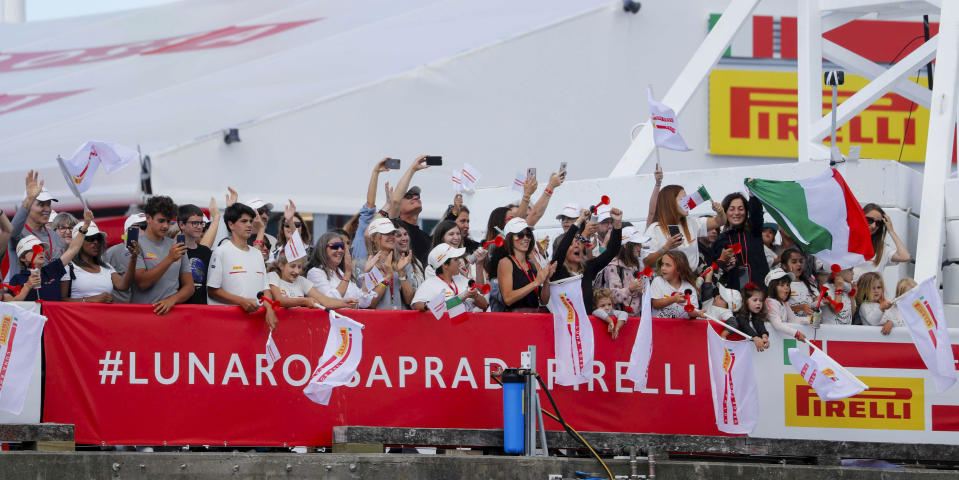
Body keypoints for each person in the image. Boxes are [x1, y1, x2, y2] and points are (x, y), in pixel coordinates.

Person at [207, 203, 279, 329]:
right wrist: (241, 301)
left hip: (256, 323)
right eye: (244, 221)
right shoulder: (221, 252)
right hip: (229, 323)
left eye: (251, 221)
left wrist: (269, 308)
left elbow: (265, 288)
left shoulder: (257, 254)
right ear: (231, 224)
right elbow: (213, 291)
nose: (249, 225)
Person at [6, 210, 92, 302]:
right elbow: (12, 306)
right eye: (35, 249)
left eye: (42, 249)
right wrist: (27, 287)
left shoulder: (51, 270)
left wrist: (85, 226)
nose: (41, 252)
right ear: (23, 258)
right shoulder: (17, 279)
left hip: (55, 316)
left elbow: (72, 249)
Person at [551, 207, 623, 312]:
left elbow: (612, 251)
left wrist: (617, 223)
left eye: (578, 243)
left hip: (586, 325)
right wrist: (579, 221)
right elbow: (562, 247)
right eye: (571, 244)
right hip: (565, 326)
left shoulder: (588, 268)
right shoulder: (556, 269)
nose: (577, 246)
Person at [132, 196, 194, 315]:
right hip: (143, 314)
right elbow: (142, 283)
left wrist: (172, 300)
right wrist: (170, 259)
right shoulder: (136, 244)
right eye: (161, 221)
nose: (166, 226)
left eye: (169, 221)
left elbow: (189, 287)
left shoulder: (176, 245)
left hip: (171, 314)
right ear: (148, 218)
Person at [643, 185, 725, 273]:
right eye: (683, 199)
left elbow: (719, 222)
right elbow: (647, 262)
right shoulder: (655, 229)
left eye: (687, 198)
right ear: (670, 202)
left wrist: (720, 212)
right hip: (665, 283)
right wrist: (666, 248)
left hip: (689, 281)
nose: (688, 202)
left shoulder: (692, 223)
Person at [60, 221, 139, 303]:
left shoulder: (106, 266)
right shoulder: (67, 267)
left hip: (104, 315)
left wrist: (133, 258)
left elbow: (123, 286)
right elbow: (60, 301)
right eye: (90, 238)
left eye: (98, 238)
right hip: (79, 315)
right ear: (78, 241)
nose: (96, 242)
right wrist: (88, 300)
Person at [7, 171, 64, 281]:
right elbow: (11, 232)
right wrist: (29, 199)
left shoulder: (55, 236)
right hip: (24, 296)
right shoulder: (19, 234)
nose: (47, 209)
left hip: (52, 295)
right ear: (28, 207)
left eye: (49, 204)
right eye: (41, 205)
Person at [493, 218, 555, 312]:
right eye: (520, 235)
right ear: (510, 238)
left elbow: (544, 301)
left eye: (528, 234)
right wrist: (536, 282)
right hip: (516, 321)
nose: (526, 238)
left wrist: (546, 280)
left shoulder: (531, 264)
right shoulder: (505, 263)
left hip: (534, 319)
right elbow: (508, 299)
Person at [709, 193, 768, 290]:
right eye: (732, 209)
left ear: (746, 211)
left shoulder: (754, 232)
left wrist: (753, 196)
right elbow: (715, 268)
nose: (736, 213)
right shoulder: (720, 240)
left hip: (759, 294)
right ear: (725, 212)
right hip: (734, 296)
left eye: (741, 209)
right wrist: (725, 264)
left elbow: (756, 214)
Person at [410, 243, 488, 312]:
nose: (460, 262)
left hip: (466, 327)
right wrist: (429, 305)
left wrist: (475, 296)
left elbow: (484, 305)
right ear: (445, 265)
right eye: (456, 259)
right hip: (445, 327)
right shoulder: (430, 284)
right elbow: (416, 305)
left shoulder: (463, 280)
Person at [267, 253, 357, 310]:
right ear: (281, 266)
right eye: (292, 266)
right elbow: (279, 300)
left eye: (299, 267)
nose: (297, 271)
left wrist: (344, 303)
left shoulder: (301, 280)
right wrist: (304, 301)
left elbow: (324, 300)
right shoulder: (273, 276)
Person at [306, 232, 372, 308]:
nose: (340, 250)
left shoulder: (342, 273)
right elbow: (331, 301)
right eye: (335, 246)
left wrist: (367, 273)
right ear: (323, 249)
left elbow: (363, 303)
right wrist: (347, 274)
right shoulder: (315, 273)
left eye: (342, 246)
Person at [389, 155, 433, 265]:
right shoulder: (393, 227)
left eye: (417, 195)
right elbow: (395, 201)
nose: (415, 197)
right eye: (409, 196)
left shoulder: (427, 238)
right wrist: (412, 169)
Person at [595, 226, 649, 314]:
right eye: (637, 244)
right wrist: (630, 289)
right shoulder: (612, 266)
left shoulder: (636, 266)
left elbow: (636, 294)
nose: (640, 247)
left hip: (634, 319)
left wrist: (641, 291)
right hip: (616, 320)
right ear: (626, 245)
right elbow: (611, 296)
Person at [362, 218, 414, 310]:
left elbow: (410, 301)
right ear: (373, 238)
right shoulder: (363, 264)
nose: (391, 237)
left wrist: (401, 273)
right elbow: (369, 304)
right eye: (386, 233)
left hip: (400, 320)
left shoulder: (403, 262)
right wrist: (387, 278)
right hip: (378, 321)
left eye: (393, 233)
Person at [853, 204, 911, 283]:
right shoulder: (847, 242)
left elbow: (905, 256)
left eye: (878, 223)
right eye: (870, 220)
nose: (873, 226)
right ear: (861, 217)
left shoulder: (882, 248)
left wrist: (891, 230)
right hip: (849, 293)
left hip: (872, 294)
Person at [178, 200, 220, 305]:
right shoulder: (173, 249)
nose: (199, 226)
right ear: (182, 224)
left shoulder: (206, 251)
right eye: (194, 223)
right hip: (177, 309)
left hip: (201, 309)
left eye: (201, 223)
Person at [352, 158, 395, 260]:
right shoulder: (363, 236)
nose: (390, 236)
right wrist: (375, 172)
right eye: (385, 233)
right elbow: (370, 205)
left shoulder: (392, 258)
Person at [102, 212, 147, 304]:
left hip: (147, 307)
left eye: (147, 226)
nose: (146, 230)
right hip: (121, 308)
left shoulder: (155, 251)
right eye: (142, 226)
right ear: (128, 230)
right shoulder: (112, 252)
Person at [648, 250, 705, 319]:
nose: (663, 268)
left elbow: (691, 312)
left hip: (679, 328)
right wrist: (673, 299)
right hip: (659, 327)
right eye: (662, 264)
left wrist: (697, 313)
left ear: (679, 269)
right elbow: (655, 304)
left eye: (667, 265)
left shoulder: (689, 288)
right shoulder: (658, 281)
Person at [723, 282, 770, 352]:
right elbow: (745, 326)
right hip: (735, 350)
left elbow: (760, 325)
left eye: (761, 300)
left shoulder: (755, 314)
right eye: (755, 300)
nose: (759, 303)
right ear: (745, 301)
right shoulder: (739, 315)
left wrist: (764, 336)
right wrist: (755, 337)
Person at [764, 267, 807, 342]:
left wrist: (811, 320)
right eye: (782, 285)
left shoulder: (785, 303)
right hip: (771, 343)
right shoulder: (770, 302)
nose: (786, 288)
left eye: (788, 285)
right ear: (773, 287)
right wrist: (796, 334)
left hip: (779, 342)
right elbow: (777, 325)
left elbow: (793, 319)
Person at [779, 246, 817, 324]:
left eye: (801, 261)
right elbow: (779, 308)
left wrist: (821, 301)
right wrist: (800, 307)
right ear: (784, 266)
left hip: (810, 326)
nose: (799, 264)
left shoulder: (810, 283)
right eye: (794, 262)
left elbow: (816, 300)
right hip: (791, 328)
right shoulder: (780, 284)